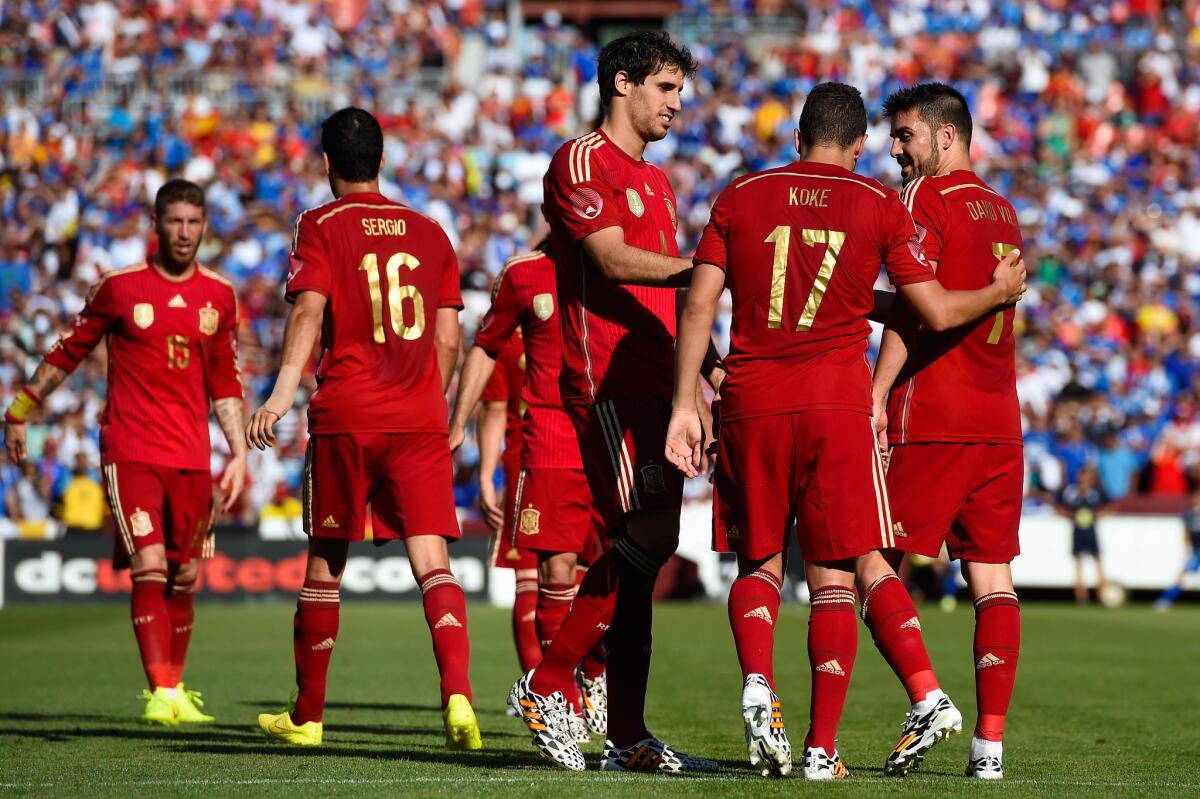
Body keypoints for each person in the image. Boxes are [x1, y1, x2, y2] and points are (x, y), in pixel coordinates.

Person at [668, 81, 1026, 780]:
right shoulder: (928, 204)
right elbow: (925, 306)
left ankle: (763, 683)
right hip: (891, 409)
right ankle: (863, 743)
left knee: (771, 560)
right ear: (858, 143)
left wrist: (687, 397)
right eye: (887, 139)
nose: (896, 151)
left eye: (908, 138)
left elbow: (700, 297)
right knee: (865, 570)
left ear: (796, 133)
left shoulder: (744, 193)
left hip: (768, 399)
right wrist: (999, 292)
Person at [507, 31, 723, 773]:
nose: (677, 105)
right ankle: (547, 680)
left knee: (643, 555)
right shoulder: (579, 160)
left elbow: (676, 300)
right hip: (605, 380)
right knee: (650, 535)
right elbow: (609, 259)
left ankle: (627, 732)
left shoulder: (657, 184)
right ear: (623, 83)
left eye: (680, 92)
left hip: (660, 382)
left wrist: (711, 369)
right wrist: (703, 268)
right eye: (666, 88)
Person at [245, 107, 480, 751]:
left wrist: (283, 392)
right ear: (382, 160)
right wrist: (429, 404)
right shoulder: (432, 232)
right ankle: (459, 698)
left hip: (348, 413)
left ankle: (310, 716)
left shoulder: (319, 224)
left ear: (326, 164)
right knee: (433, 562)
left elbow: (308, 312)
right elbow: (450, 336)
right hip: (418, 416)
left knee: (326, 565)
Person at [4, 178, 246, 725]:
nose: (184, 233)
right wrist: (20, 409)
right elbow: (68, 352)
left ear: (205, 226)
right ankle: (159, 691)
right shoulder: (119, 288)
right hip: (131, 448)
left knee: (186, 576)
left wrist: (239, 452)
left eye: (193, 222)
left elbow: (225, 380)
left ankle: (174, 688)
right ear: (156, 225)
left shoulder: (220, 296)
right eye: (175, 222)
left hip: (192, 455)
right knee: (152, 568)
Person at [871, 83, 1029, 779]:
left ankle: (926, 695)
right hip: (1000, 420)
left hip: (933, 415)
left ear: (946, 135)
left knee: (868, 561)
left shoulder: (922, 199)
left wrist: (876, 394)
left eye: (905, 135)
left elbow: (918, 311)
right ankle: (989, 747)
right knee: (993, 580)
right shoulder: (1004, 209)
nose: (895, 149)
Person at [449, 245, 608, 743]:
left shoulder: (619, 265)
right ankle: (556, 697)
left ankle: (596, 682)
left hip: (610, 442)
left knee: (606, 577)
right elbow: (494, 407)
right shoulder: (521, 295)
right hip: (540, 454)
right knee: (542, 576)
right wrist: (480, 463)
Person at [475, 331, 543, 680]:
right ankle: (587, 686)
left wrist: (487, 476)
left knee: (530, 579)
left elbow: (494, 410)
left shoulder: (508, 340)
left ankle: (540, 691)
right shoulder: (581, 317)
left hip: (527, 464)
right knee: (581, 578)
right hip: (583, 458)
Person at [1057, 464, 1111, 604]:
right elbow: (1058, 507)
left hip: (1091, 531)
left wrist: (1099, 515)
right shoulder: (1072, 493)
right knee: (1079, 563)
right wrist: (1069, 516)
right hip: (1077, 531)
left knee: (1097, 561)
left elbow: (1112, 506)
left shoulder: (1095, 493)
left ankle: (1102, 595)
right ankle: (1082, 597)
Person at [1156, 489, 1200, 609]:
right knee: (1182, 576)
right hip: (1197, 551)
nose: (1196, 500)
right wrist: (1186, 546)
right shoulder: (1188, 514)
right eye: (1195, 497)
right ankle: (1165, 600)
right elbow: (1187, 532)